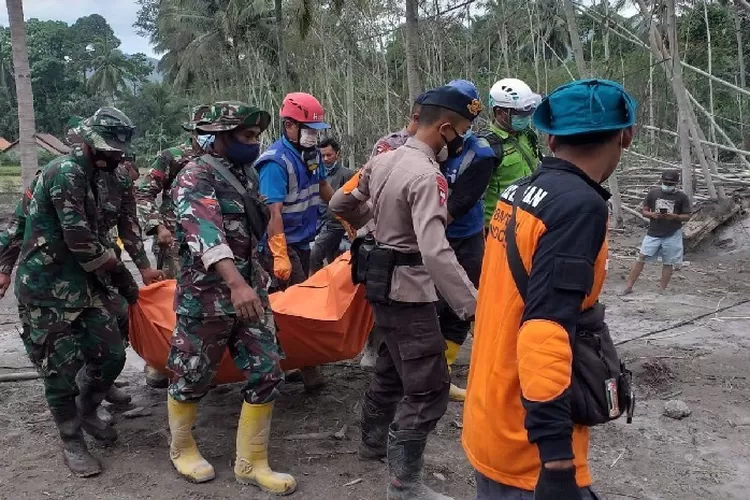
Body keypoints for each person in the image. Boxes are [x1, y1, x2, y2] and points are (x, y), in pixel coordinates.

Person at [462, 79, 636, 500]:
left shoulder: (518, 192)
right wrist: (557, 461)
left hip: (490, 415)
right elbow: (545, 329)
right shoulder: (579, 206)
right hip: (529, 446)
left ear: (551, 136)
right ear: (625, 135)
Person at [331, 86, 480, 500]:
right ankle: (404, 485)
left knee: (392, 367)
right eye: (462, 132)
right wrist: (473, 305)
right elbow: (435, 250)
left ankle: (373, 444)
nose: (462, 141)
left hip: (379, 284)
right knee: (430, 387)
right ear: (446, 128)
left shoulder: (383, 159)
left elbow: (340, 203)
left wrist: (369, 229)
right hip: (408, 290)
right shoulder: (427, 175)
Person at [167, 101, 295, 494]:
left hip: (250, 291)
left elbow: (257, 225)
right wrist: (235, 284)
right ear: (220, 138)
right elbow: (206, 234)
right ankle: (182, 447)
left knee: (268, 368)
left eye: (257, 137)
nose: (255, 144)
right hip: (207, 297)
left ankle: (251, 462)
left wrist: (262, 271)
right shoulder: (195, 176)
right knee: (192, 374)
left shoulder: (247, 174)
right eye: (247, 137)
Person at [14, 107, 144, 477]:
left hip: (87, 285)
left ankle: (87, 410)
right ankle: (71, 437)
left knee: (111, 354)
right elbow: (82, 241)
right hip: (47, 287)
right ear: (91, 145)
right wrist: (123, 277)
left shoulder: (103, 175)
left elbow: (116, 225)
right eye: (111, 150)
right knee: (58, 370)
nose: (117, 156)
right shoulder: (64, 173)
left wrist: (128, 272)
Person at [254, 92, 336, 391]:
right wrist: (279, 254)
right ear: (289, 126)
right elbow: (273, 212)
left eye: (316, 131)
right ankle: (306, 368)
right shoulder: (275, 163)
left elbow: (324, 188)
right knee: (296, 308)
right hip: (280, 245)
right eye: (308, 130)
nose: (314, 136)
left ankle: (291, 362)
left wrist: (347, 215)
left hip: (303, 242)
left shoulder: (311, 156)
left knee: (288, 307)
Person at [135, 104, 210, 388]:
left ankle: (202, 362)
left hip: (210, 243)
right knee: (170, 303)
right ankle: (159, 363)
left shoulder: (223, 159)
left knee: (206, 304)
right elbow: (143, 193)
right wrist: (158, 226)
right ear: (193, 132)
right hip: (175, 244)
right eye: (201, 132)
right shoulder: (172, 157)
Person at [436, 79, 498, 402]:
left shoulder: (480, 155)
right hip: (430, 239)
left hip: (465, 237)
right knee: (428, 304)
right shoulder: (429, 144)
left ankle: (443, 370)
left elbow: (458, 206)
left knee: (464, 304)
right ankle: (423, 371)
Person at [482, 78, 542, 228]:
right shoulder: (486, 146)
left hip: (528, 219)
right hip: (498, 225)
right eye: (519, 113)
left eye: (527, 112)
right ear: (500, 112)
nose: (524, 117)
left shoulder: (527, 135)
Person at [622, 169, 692, 294]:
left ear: (676, 183)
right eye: (666, 183)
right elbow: (644, 211)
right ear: (661, 181)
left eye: (671, 184)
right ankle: (628, 286)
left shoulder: (682, 197)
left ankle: (662, 290)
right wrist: (652, 215)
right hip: (653, 232)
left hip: (672, 233)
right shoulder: (653, 193)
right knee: (641, 257)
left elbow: (687, 216)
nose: (668, 185)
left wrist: (674, 216)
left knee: (668, 261)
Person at [309, 137, 354, 273]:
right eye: (322, 156)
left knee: (315, 255)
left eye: (329, 155)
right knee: (332, 261)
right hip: (319, 222)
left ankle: (315, 286)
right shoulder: (316, 173)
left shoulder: (347, 174)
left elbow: (352, 201)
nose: (326, 159)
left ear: (337, 154)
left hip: (336, 225)